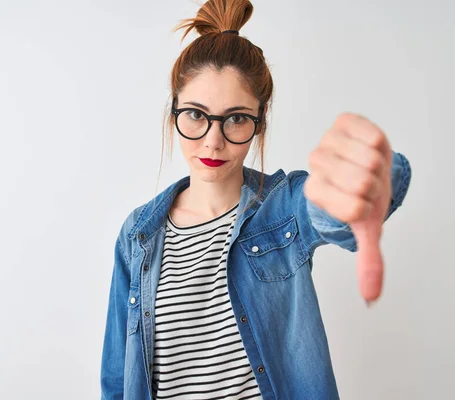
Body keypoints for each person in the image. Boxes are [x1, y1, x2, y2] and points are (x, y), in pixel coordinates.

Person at [100, 0, 412, 398]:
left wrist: (367, 176)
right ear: (172, 112)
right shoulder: (138, 236)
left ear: (259, 122)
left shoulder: (284, 209)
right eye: (196, 114)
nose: (214, 140)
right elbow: (117, 378)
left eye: (236, 118)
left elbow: (330, 206)